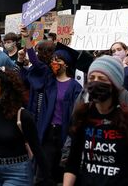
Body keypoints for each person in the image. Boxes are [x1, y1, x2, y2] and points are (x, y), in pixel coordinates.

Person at [63, 55, 128, 186]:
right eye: (91, 78)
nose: (95, 82)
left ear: (115, 84)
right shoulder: (82, 115)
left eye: (101, 79)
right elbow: (73, 162)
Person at [19, 25, 84, 185]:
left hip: (65, 133)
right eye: (53, 59)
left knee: (64, 173)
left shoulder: (75, 86)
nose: (54, 62)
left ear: (66, 64)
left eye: (58, 60)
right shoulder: (49, 80)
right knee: (43, 174)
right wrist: (27, 38)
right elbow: (35, 61)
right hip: (48, 132)